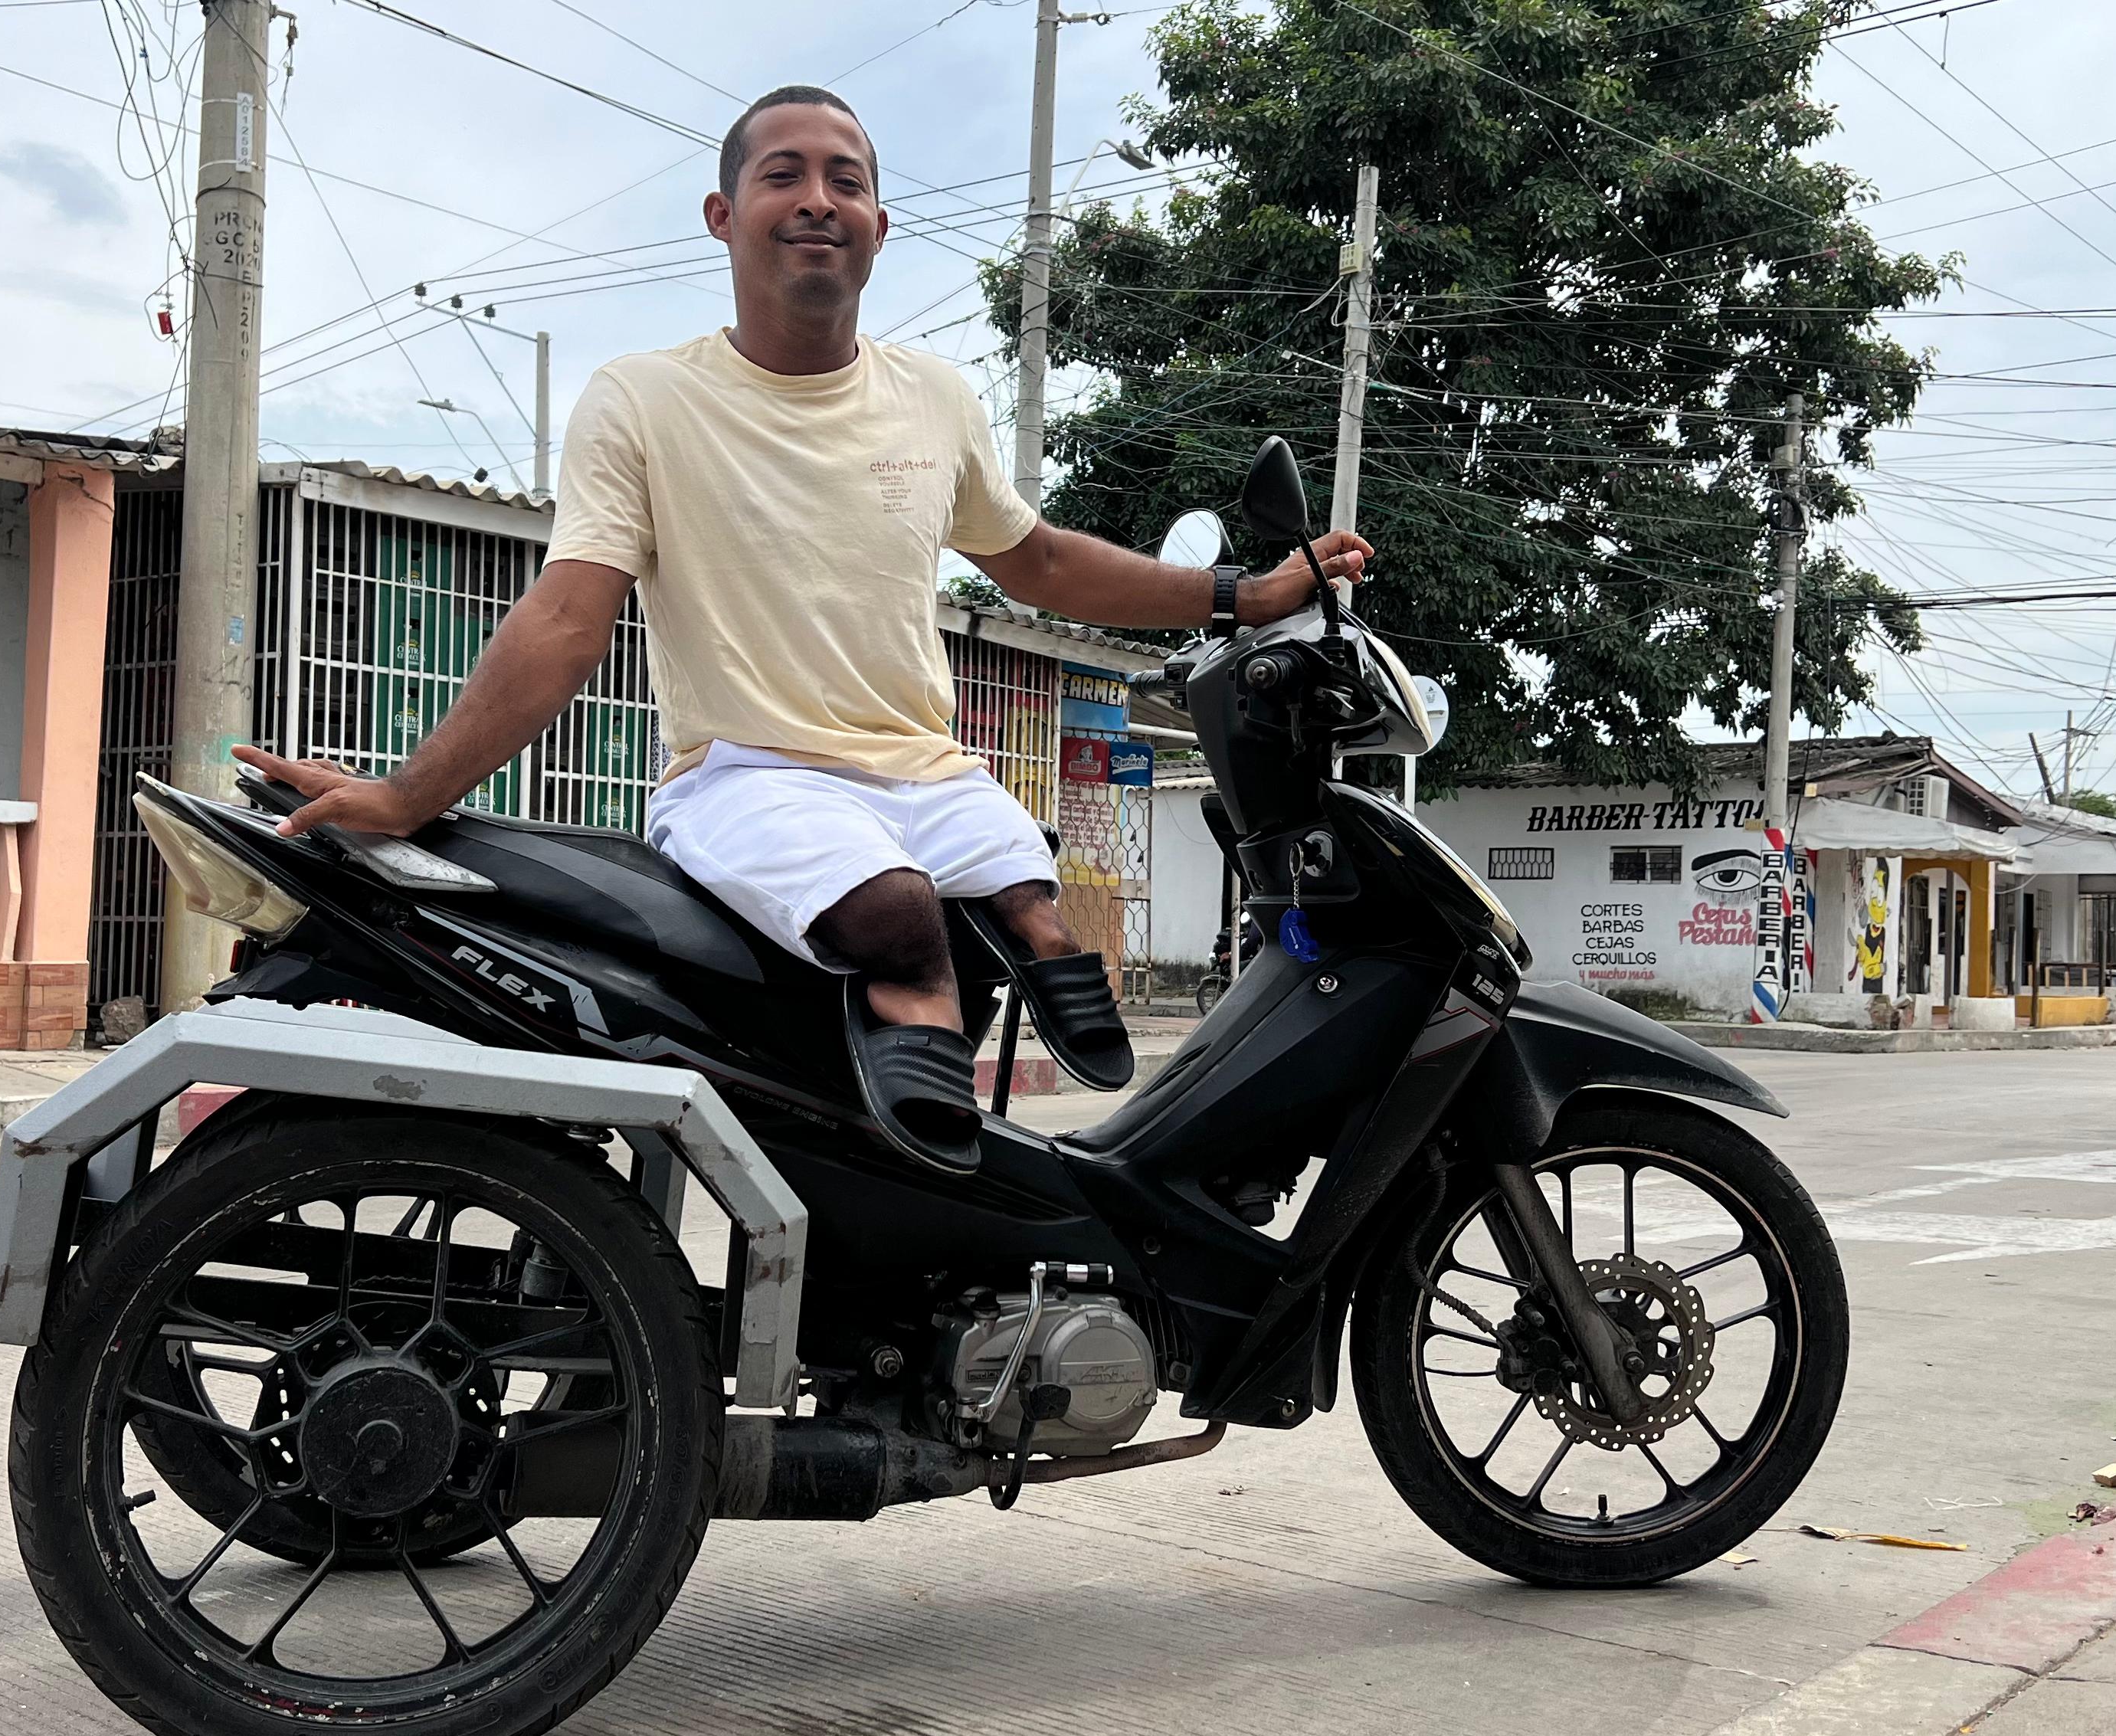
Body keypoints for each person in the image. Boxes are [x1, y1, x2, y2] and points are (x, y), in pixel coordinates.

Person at [233, 84, 1371, 1173]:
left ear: (880, 225)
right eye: (785, 176)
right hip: (749, 779)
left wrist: (1247, 595)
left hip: (927, 772)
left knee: (1032, 887)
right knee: (902, 913)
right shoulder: (643, 399)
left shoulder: (934, 396)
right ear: (726, 216)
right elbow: (567, 617)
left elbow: (1040, 561)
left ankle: (1025, 986)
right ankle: (919, 1013)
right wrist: (404, 795)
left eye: (847, 179)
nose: (818, 198)